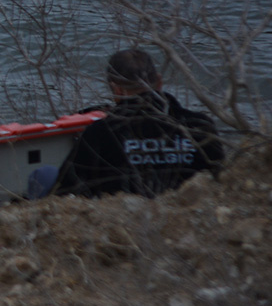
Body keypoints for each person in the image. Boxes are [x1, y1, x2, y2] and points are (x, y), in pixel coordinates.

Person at [34, 48, 224, 199]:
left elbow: (65, 189)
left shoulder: (101, 133)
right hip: (185, 213)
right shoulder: (199, 124)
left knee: (44, 175)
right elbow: (218, 176)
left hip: (124, 218)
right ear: (159, 82)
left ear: (117, 89)